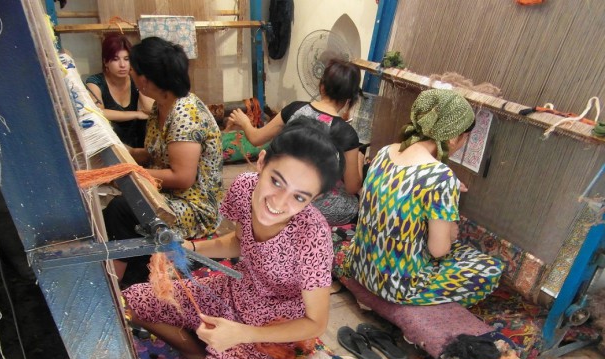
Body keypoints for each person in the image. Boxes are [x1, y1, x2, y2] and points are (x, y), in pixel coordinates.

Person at [122, 118, 343, 359]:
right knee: (135, 300)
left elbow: (315, 322)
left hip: (269, 327)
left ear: (313, 200)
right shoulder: (244, 187)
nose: (279, 202)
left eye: (299, 197)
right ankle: (194, 351)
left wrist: (241, 334)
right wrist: (189, 248)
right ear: (262, 162)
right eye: (276, 181)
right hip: (234, 290)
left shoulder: (313, 237)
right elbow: (240, 241)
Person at [345, 89, 503, 307]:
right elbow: (439, 250)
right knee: (490, 269)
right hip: (397, 286)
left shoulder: (385, 152)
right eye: (465, 137)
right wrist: (450, 231)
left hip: (360, 266)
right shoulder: (441, 176)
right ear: (455, 137)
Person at [102, 37, 224, 285]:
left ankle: (115, 281)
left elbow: (183, 177)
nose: (130, 73)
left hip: (194, 207)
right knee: (119, 207)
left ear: (145, 80)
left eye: (133, 70)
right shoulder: (161, 106)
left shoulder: (185, 114)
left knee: (122, 209)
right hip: (172, 194)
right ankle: (130, 269)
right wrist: (119, 155)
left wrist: (129, 173)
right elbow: (154, 152)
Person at [229, 59, 362, 225]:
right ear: (349, 98)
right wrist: (359, 160)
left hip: (280, 190)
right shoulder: (347, 133)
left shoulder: (294, 109)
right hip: (313, 202)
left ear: (322, 86)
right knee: (354, 203)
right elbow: (352, 187)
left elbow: (256, 139)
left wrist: (244, 122)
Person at [85, 33, 153, 148]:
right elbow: (97, 112)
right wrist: (136, 114)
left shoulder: (135, 78)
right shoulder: (95, 82)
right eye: (115, 59)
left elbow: (150, 109)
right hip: (112, 140)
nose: (122, 65)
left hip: (137, 137)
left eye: (127, 59)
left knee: (148, 122)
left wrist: (139, 77)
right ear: (106, 62)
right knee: (109, 125)